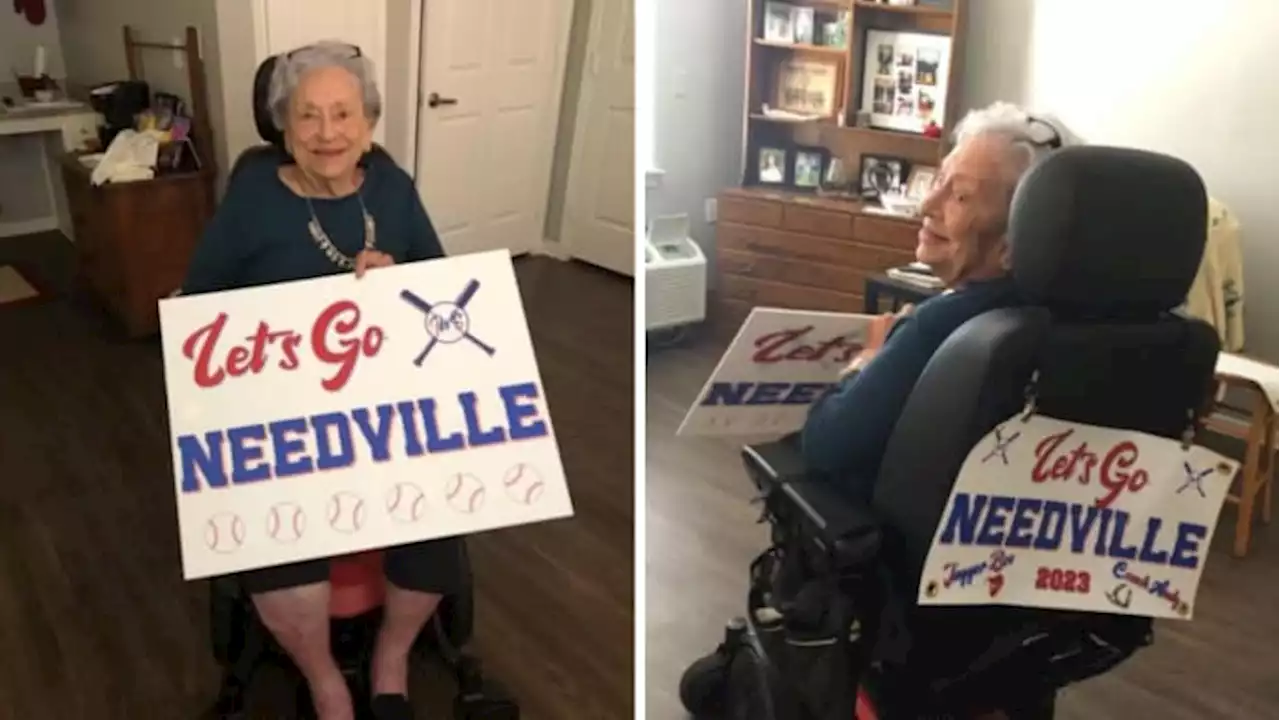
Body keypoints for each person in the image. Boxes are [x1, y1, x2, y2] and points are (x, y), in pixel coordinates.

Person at [180, 40, 455, 720]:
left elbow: (442, 291)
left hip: (384, 404)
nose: (327, 133)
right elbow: (195, 308)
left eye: (343, 114)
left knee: (443, 508)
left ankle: (391, 661)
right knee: (280, 533)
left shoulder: (393, 188)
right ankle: (324, 679)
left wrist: (401, 284)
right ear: (282, 125)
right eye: (308, 116)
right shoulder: (251, 200)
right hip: (281, 418)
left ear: (368, 124)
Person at [801, 101, 1075, 492]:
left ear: (1015, 244)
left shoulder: (937, 328)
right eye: (938, 182)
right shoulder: (1097, 321)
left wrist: (868, 360)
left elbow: (826, 445)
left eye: (960, 195)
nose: (927, 205)